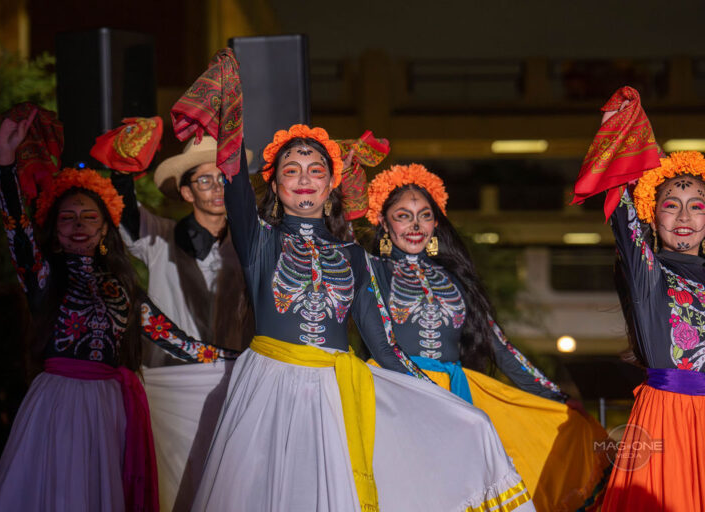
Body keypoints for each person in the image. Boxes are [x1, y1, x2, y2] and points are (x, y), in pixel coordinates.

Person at [186, 124, 534, 511]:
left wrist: (446, 402)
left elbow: (384, 347)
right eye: (292, 170)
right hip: (269, 385)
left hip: (334, 395)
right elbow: (235, 185)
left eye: (316, 170)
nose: (305, 179)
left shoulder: (354, 256)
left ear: (331, 183)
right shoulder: (259, 238)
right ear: (275, 183)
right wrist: (229, 115)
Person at [364, 163, 610, 510]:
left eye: (425, 216)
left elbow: (501, 347)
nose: (416, 226)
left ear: (437, 223)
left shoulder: (455, 279)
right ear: (383, 221)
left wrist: (554, 395)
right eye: (403, 216)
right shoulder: (371, 271)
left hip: (456, 392)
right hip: (394, 391)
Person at [0, 108, 158, 511]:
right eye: (67, 218)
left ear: (104, 228)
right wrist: (6, 163)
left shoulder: (122, 285)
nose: (78, 224)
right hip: (58, 403)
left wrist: (221, 356)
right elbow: (16, 229)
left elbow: (165, 332)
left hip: (108, 408)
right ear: (54, 229)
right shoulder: (43, 275)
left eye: (88, 217)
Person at [107, 133, 254, 511]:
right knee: (174, 487)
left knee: (231, 486)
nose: (217, 188)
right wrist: (122, 168)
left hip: (235, 378)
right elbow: (124, 213)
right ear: (186, 192)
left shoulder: (251, 244)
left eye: (222, 178)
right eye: (205, 180)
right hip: (172, 384)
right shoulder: (161, 237)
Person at [575, 88, 705, 511]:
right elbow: (621, 212)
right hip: (669, 418)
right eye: (671, 205)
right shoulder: (648, 270)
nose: (684, 217)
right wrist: (617, 132)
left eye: (696, 206)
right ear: (653, 212)